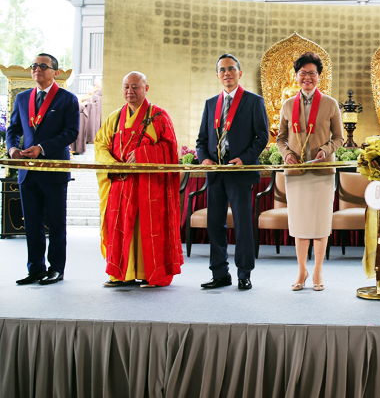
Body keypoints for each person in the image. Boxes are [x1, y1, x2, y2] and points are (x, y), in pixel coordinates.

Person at [94, 72, 184, 287]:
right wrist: (114, 165)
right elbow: (100, 145)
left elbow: (171, 150)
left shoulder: (159, 116)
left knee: (147, 229)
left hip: (149, 186)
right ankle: (121, 273)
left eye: (135, 87)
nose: (130, 91)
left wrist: (144, 154)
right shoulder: (114, 118)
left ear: (146, 88)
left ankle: (148, 273)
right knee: (119, 227)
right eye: (126, 87)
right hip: (121, 184)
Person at [196, 54, 269, 291]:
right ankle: (220, 273)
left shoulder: (253, 101)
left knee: (242, 225)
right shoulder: (210, 104)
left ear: (239, 73)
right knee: (215, 224)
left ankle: (244, 274)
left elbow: (262, 136)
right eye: (222, 70)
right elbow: (201, 140)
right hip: (216, 173)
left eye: (231, 69)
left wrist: (245, 159)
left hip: (239, 171)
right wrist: (204, 158)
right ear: (217, 76)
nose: (227, 73)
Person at [7, 53, 79, 285]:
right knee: (32, 222)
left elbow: (71, 133)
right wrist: (12, 150)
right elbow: (13, 129)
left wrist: (42, 147)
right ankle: (35, 269)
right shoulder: (22, 98)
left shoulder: (67, 99)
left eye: (43, 66)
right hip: (27, 171)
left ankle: (56, 269)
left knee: (56, 223)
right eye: (34, 66)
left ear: (55, 72)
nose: (37, 69)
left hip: (54, 169)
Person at [277, 52, 343, 291]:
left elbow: (339, 138)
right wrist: (287, 154)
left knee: (320, 223)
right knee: (300, 224)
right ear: (296, 76)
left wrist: (326, 150)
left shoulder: (330, 104)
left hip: (322, 172)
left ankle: (317, 272)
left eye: (312, 73)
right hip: (295, 173)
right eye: (303, 73)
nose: (307, 77)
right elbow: (280, 139)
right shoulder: (287, 105)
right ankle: (301, 271)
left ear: (319, 76)